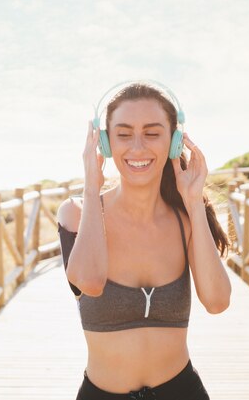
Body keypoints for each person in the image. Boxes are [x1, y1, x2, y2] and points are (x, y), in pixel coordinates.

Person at [57, 82, 231, 400]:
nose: (138, 147)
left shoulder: (186, 219)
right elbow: (90, 282)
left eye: (152, 133)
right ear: (105, 143)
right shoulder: (77, 213)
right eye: (123, 134)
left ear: (175, 141)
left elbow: (217, 301)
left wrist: (194, 203)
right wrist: (91, 189)